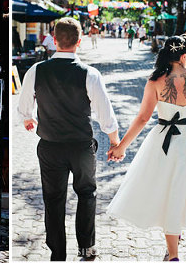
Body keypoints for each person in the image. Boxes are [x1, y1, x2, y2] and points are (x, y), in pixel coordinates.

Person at [107, 36, 186, 261]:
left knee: (170, 192)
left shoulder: (155, 81)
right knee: (183, 190)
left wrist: (121, 147)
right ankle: (173, 252)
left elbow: (142, 118)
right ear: (184, 55)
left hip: (163, 143)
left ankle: (173, 253)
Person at [17, 17, 120, 261]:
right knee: (86, 194)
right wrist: (115, 143)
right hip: (81, 146)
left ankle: (58, 253)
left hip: (50, 146)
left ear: (54, 41)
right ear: (79, 41)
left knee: (53, 200)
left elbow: (23, 108)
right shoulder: (89, 74)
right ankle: (86, 247)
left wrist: (28, 119)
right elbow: (106, 117)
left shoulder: (36, 70)